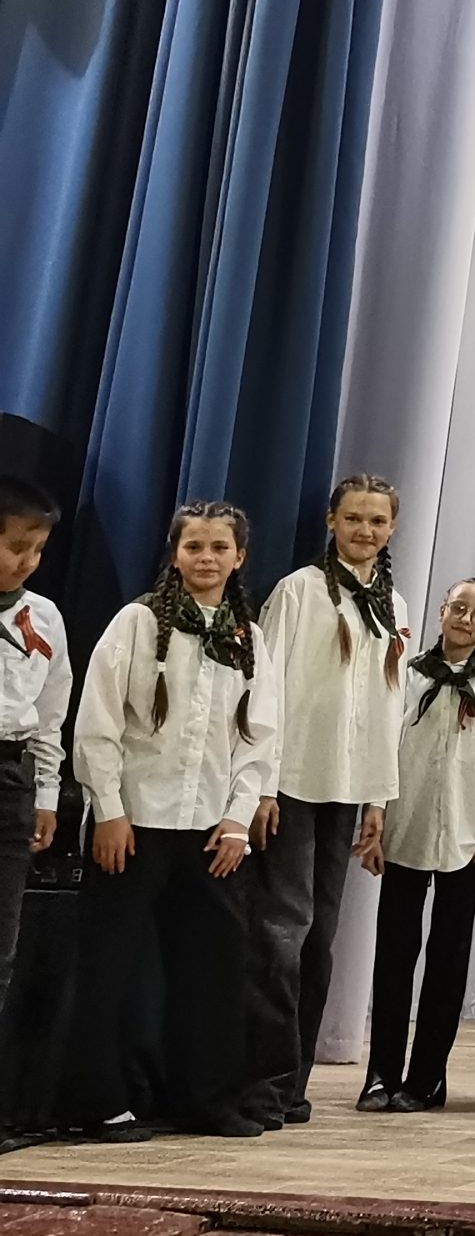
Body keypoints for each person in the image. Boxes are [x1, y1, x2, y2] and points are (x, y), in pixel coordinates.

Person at [66, 501, 273, 1140]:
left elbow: (261, 740)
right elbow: (98, 724)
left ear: (239, 557)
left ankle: (205, 1100)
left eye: (219, 547)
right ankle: (100, 1102)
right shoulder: (136, 622)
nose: (206, 558)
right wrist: (109, 811)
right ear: (175, 554)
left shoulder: (248, 637)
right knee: (110, 967)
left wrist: (237, 820)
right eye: (194, 546)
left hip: (209, 830)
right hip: (135, 822)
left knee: (212, 970)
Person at [246, 473, 408, 1128]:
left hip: (347, 789)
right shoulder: (299, 591)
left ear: (391, 529)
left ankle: (294, 1081)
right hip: (293, 784)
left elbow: (388, 707)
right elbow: (266, 688)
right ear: (331, 521)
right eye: (354, 518)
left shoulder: (393, 603)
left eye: (377, 520)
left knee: (320, 939)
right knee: (282, 932)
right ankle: (261, 1078)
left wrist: (378, 798)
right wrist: (262, 783)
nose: (365, 530)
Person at [363, 577, 475, 1111]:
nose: (466, 620)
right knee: (394, 955)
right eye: (459, 608)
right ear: (441, 611)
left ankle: (427, 1076)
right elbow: (383, 746)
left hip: (466, 836)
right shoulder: (406, 672)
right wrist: (375, 815)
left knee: (447, 960)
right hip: (404, 829)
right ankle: (381, 1073)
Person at [0, 477, 69, 1024]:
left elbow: (49, 715)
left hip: (11, 781)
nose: (29, 562)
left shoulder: (43, 616)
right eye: (17, 547)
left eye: (39, 550)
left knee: (3, 942)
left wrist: (46, 792)